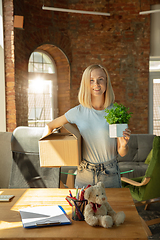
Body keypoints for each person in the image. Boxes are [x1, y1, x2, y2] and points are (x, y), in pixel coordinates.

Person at [43, 64, 131, 188]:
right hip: (85, 173)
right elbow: (50, 126)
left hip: (110, 173)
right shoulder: (78, 112)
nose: (96, 84)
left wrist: (123, 145)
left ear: (106, 82)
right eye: (91, 80)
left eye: (101, 79)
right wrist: (47, 154)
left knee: (110, 207)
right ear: (86, 84)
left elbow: (122, 153)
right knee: (82, 208)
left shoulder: (116, 112)